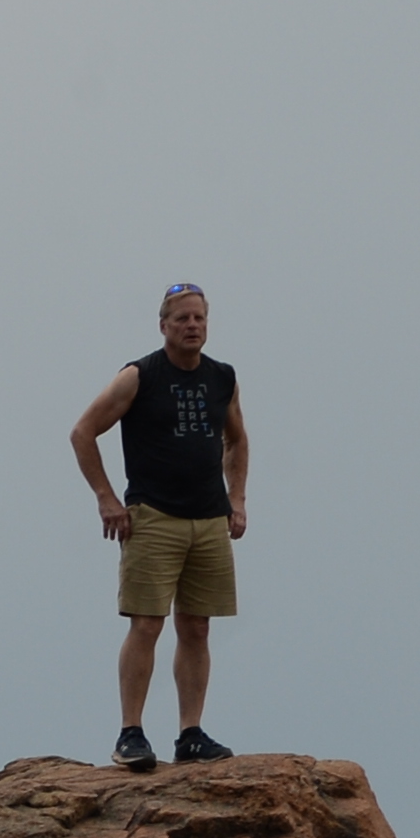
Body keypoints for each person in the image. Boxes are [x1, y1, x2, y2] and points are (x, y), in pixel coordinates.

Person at [69, 284, 249, 770]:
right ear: (163, 325)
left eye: (199, 318)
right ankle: (130, 733)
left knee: (197, 627)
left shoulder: (222, 378)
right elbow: (83, 432)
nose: (192, 326)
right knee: (147, 623)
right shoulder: (139, 376)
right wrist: (107, 499)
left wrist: (237, 499)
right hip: (153, 517)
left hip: (208, 519)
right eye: (182, 318)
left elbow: (237, 439)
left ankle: (191, 734)